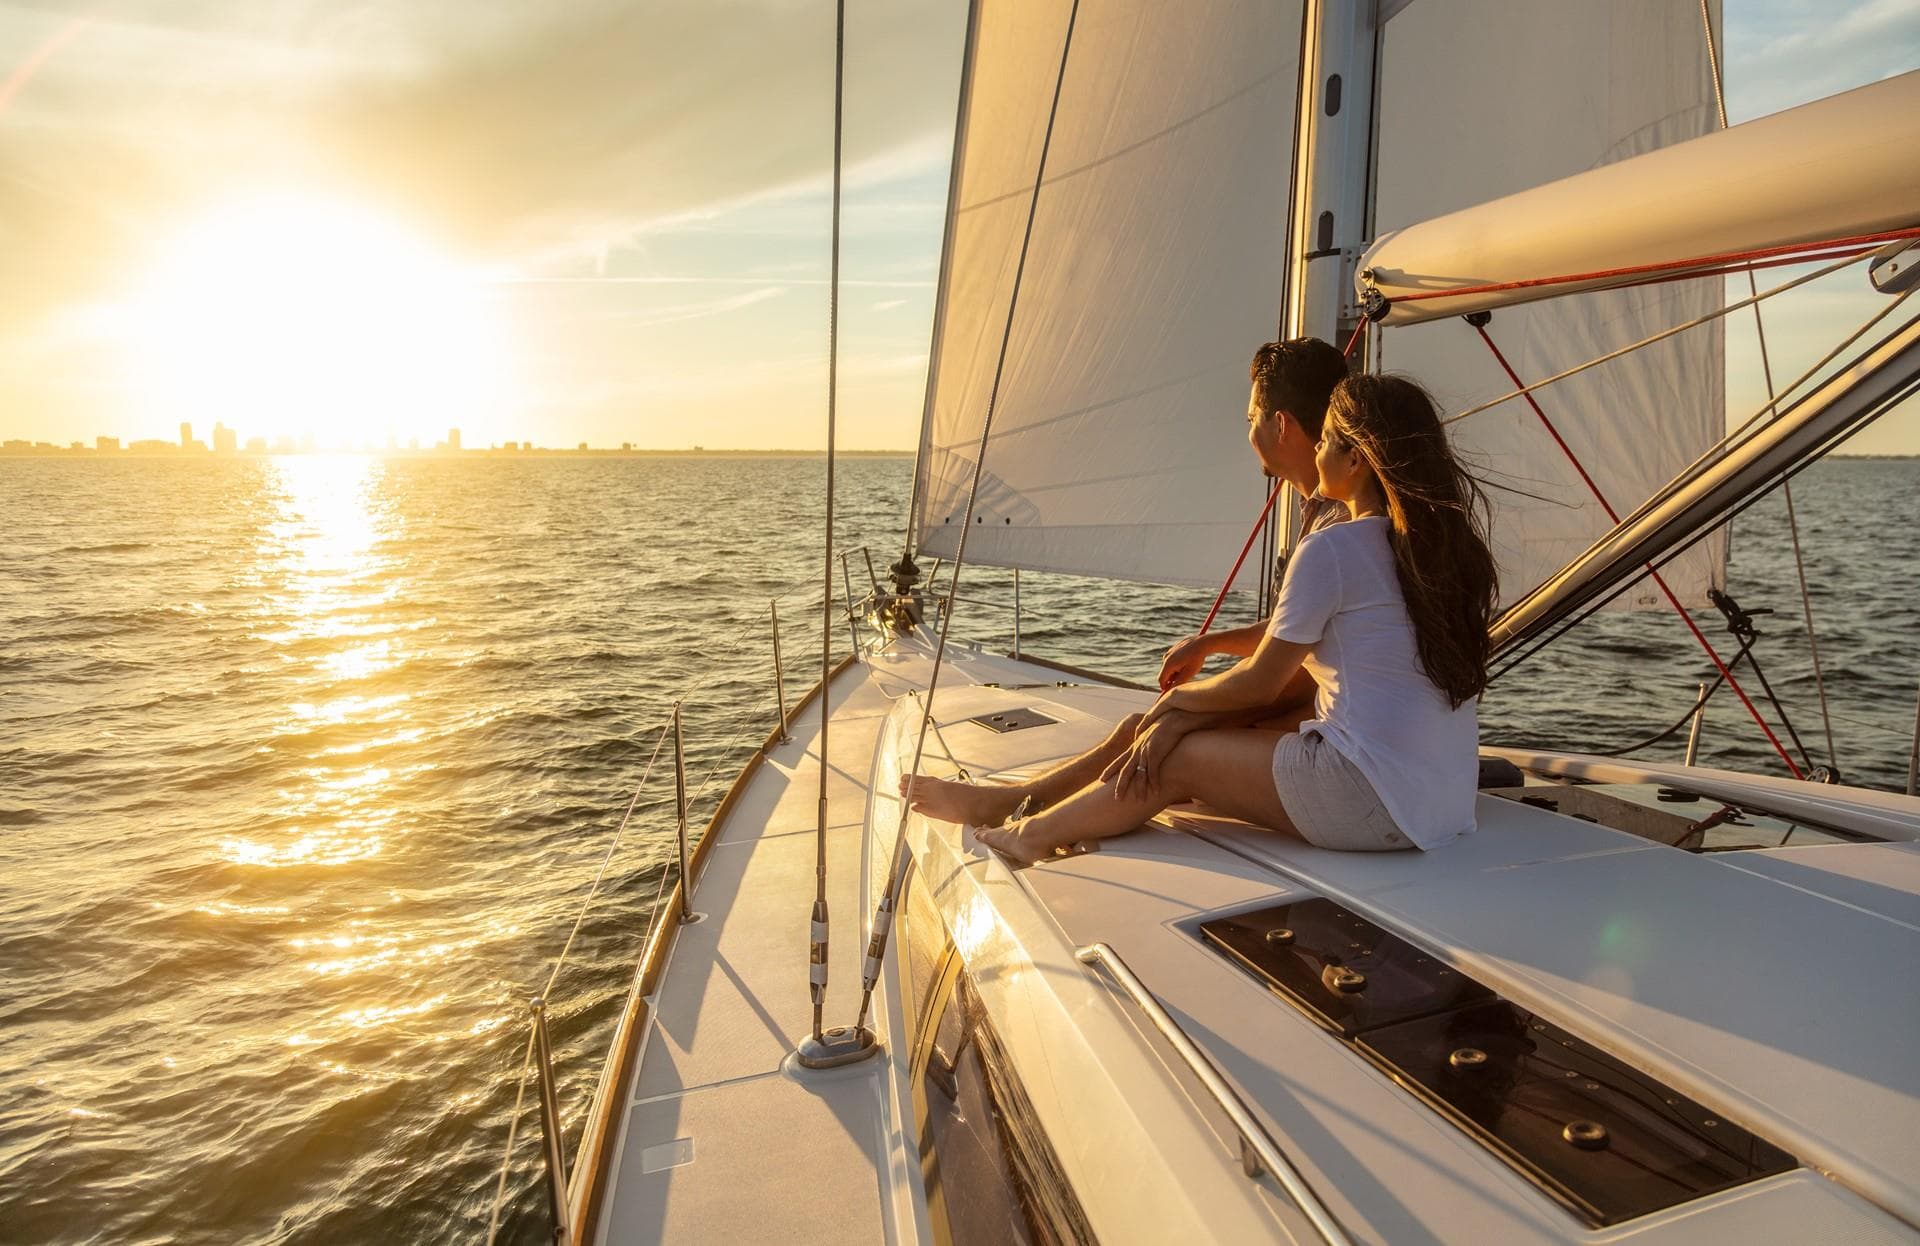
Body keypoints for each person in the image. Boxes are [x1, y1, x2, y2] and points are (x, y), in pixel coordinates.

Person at [909, 373, 1498, 861]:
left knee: (1175, 759)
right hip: (1444, 805)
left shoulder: (1336, 549)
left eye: (1327, 441)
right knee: (1176, 747)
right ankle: (1029, 808)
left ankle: (1027, 837)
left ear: (1358, 459)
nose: (1317, 450)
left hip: (1367, 799)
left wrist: (1174, 707)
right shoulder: (1446, 553)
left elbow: (1261, 682)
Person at [901, 337, 1347, 833]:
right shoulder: (1334, 516)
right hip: (1312, 716)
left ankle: (1019, 813)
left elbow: (1291, 677)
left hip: (1317, 728)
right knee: (1145, 725)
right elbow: (1303, 623)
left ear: (1280, 425)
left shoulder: (1335, 530)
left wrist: (1189, 709)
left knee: (1151, 730)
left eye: (1250, 420)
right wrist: (1211, 644)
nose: (1248, 434)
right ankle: (1018, 801)